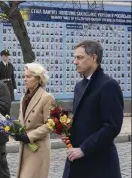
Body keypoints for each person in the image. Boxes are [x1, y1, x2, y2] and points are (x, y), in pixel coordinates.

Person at [62, 40, 124, 178]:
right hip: (76, 161)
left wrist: (84, 149)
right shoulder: (79, 86)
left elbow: (112, 126)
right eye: (75, 57)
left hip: (99, 164)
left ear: (94, 57)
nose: (75, 62)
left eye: (80, 57)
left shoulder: (108, 85)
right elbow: (83, 119)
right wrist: (67, 131)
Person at [14, 63, 54, 178]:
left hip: (38, 148)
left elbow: (50, 124)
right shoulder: (23, 98)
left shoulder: (47, 97)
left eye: (29, 77)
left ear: (38, 79)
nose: (25, 79)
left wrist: (30, 136)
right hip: (25, 147)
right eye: (24, 76)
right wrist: (15, 130)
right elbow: (22, 120)